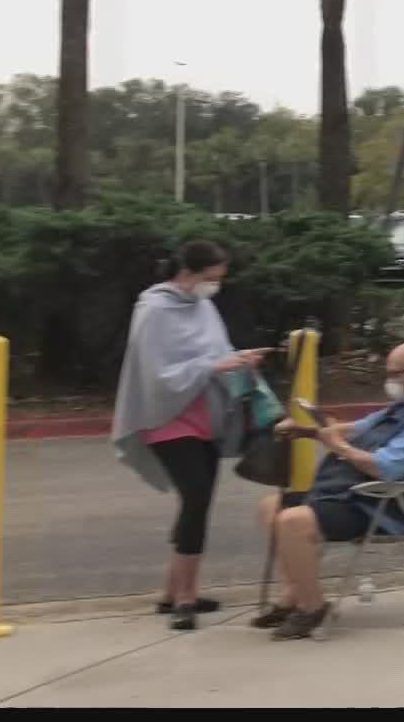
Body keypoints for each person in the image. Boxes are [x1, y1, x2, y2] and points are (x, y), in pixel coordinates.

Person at [111, 239, 274, 631]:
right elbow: (157, 373)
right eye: (211, 277)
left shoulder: (203, 306)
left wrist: (240, 359)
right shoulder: (153, 310)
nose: (216, 285)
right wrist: (213, 365)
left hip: (207, 415)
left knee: (197, 502)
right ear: (187, 273)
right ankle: (185, 598)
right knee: (196, 497)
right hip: (167, 418)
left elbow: (217, 353)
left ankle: (173, 591)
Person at [252, 339, 404, 640]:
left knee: (293, 522)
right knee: (272, 505)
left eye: (396, 374)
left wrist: (340, 447)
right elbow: (356, 429)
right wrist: (308, 431)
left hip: (380, 504)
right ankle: (292, 596)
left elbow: (383, 467)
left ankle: (312, 608)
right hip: (356, 492)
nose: (390, 381)